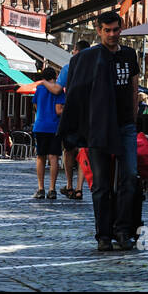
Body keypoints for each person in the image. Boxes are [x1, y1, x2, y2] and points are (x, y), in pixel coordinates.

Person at [57, 14, 139, 251]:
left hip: (125, 125)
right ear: (99, 30)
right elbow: (76, 92)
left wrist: (133, 118)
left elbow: (134, 87)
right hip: (99, 126)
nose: (112, 34)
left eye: (115, 30)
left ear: (121, 29)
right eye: (107, 30)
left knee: (129, 177)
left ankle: (122, 230)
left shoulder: (129, 55)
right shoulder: (89, 58)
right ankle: (103, 234)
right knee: (101, 183)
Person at [56, 39, 90, 200]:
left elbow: (57, 89)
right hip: (88, 114)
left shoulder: (68, 67)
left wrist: (44, 84)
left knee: (68, 150)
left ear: (76, 51)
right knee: (83, 150)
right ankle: (79, 188)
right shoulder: (94, 68)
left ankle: (69, 185)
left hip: (71, 113)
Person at [32, 66, 64, 199]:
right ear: (54, 77)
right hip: (54, 127)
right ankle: (52, 189)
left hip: (40, 126)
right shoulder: (58, 90)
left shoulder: (39, 89)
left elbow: (36, 106)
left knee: (40, 157)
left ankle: (40, 188)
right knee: (53, 158)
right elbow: (58, 110)